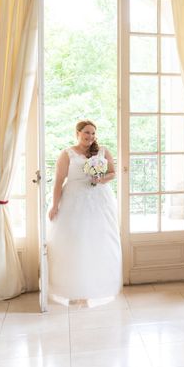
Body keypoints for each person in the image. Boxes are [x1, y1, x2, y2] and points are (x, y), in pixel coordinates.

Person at [47, 120, 122, 306]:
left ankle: (90, 291)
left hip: (99, 201)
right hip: (73, 202)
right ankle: (73, 290)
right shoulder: (67, 154)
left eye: (93, 133)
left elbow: (113, 172)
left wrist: (101, 179)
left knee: (96, 243)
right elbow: (58, 181)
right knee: (75, 244)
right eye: (87, 133)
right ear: (78, 133)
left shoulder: (102, 151)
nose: (90, 137)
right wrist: (55, 205)